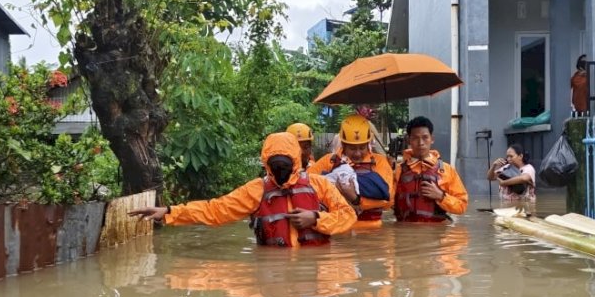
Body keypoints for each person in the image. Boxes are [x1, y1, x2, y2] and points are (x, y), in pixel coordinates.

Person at [128, 132, 357, 247]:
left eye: (284, 165)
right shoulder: (256, 190)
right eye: (275, 165)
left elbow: (347, 216)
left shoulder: (319, 185)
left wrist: (315, 218)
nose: (280, 171)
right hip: (272, 273)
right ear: (266, 164)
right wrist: (169, 212)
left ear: (295, 161)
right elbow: (215, 210)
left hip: (315, 268)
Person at [308, 114, 394, 229]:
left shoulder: (380, 162)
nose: (358, 153)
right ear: (343, 145)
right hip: (340, 229)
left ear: (368, 144)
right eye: (352, 148)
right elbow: (306, 184)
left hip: (373, 230)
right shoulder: (329, 161)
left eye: (362, 148)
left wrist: (356, 198)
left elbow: (387, 200)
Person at [394, 116, 468, 222]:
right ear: (408, 140)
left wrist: (441, 196)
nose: (420, 143)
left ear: (432, 139)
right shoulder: (398, 170)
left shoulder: (447, 170)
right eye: (415, 138)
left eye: (425, 137)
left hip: (437, 236)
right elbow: (386, 203)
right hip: (405, 234)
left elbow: (462, 206)